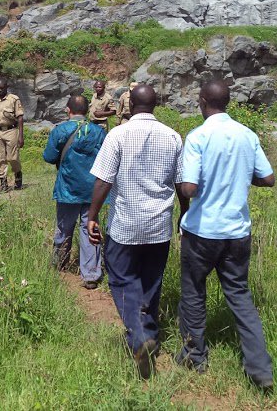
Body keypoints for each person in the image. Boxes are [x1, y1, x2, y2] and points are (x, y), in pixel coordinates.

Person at [175, 79, 276, 394]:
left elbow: (189, 188)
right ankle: (260, 369)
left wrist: (182, 187)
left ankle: (195, 355)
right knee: (240, 295)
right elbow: (268, 178)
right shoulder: (247, 135)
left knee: (193, 292)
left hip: (203, 231)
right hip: (236, 231)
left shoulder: (198, 137)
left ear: (204, 101)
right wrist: (239, 177)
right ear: (227, 102)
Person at [87, 83, 183, 379]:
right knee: (152, 282)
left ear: (129, 107)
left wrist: (92, 216)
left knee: (121, 278)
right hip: (159, 226)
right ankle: (148, 335)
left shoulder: (117, 134)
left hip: (125, 225)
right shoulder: (172, 136)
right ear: (156, 105)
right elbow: (182, 184)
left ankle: (141, 337)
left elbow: (103, 180)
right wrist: (186, 215)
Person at [42, 95, 107, 289]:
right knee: (90, 226)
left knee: (64, 227)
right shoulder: (99, 132)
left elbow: (49, 156)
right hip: (93, 189)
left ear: (68, 110)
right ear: (87, 111)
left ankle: (60, 264)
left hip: (68, 188)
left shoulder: (60, 130)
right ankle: (91, 275)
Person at [0, 77, 24, 193]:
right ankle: (3, 184)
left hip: (11, 131)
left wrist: (21, 136)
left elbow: (20, 118)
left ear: (6, 87)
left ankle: (18, 176)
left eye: (1, 88)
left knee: (12, 158)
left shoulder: (13, 99)